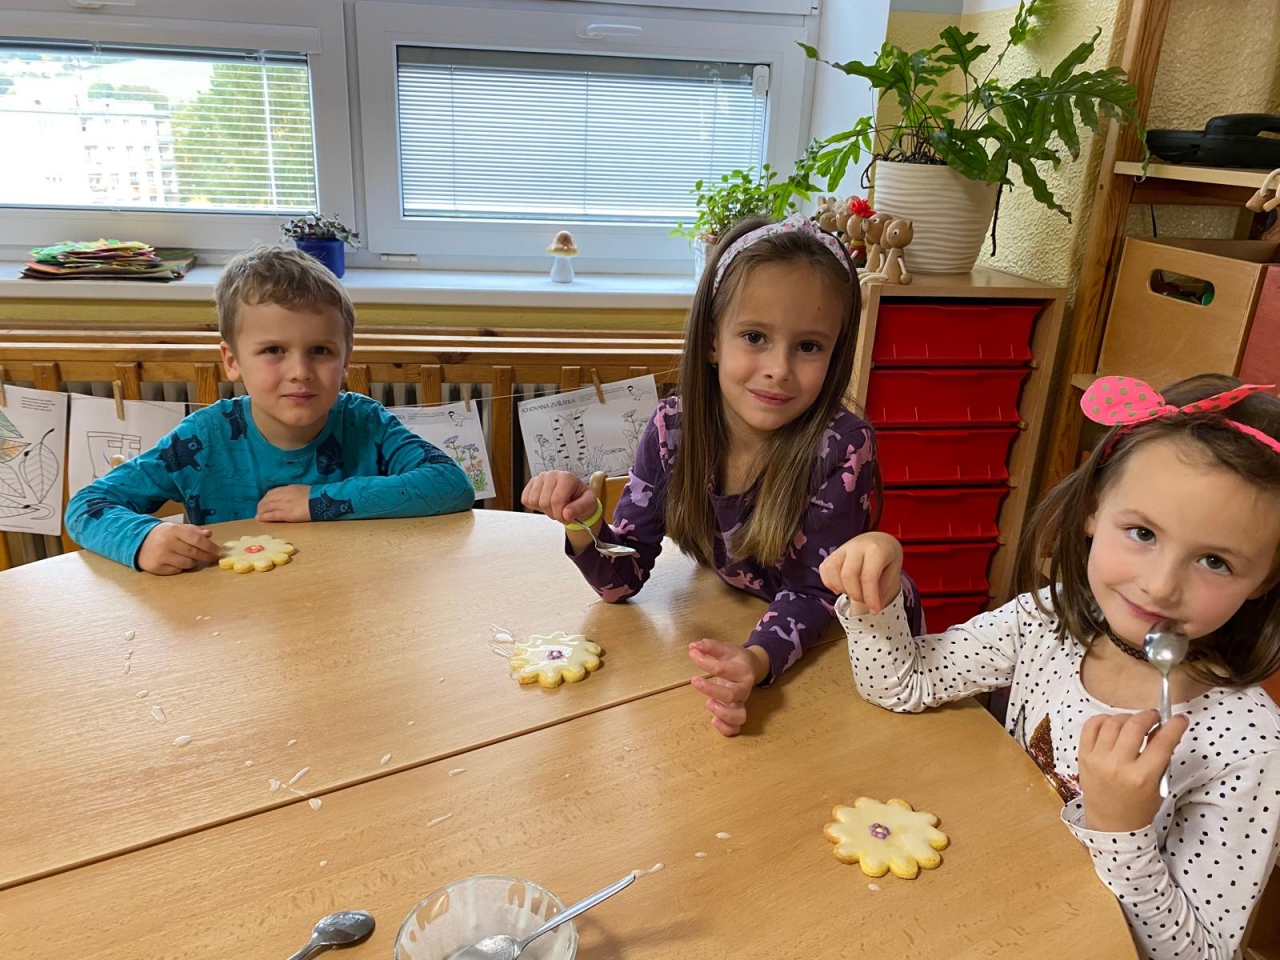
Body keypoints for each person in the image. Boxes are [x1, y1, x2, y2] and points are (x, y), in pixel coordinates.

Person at [822, 373, 1280, 959]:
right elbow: (904, 684)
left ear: (1264, 579)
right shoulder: (1046, 621)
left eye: (1215, 561)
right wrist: (876, 596)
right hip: (996, 914)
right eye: (1142, 532)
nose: (1161, 586)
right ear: (1093, 509)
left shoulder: (1249, 746)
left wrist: (1123, 831)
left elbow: (1199, 955)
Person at [522, 213, 922, 737]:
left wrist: (755, 659)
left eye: (809, 346)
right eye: (755, 336)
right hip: (752, 621)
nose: (779, 369)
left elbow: (816, 593)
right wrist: (584, 522)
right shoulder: (672, 429)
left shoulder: (843, 446)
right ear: (712, 340)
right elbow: (622, 581)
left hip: (856, 641)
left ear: (836, 351)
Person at [66, 246, 474, 574]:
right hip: (237, 621)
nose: (300, 372)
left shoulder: (366, 423)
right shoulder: (203, 437)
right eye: (274, 350)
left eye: (321, 350)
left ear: (346, 360)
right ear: (232, 361)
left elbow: (451, 484)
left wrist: (320, 501)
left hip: (350, 602)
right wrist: (142, 539)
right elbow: (87, 504)